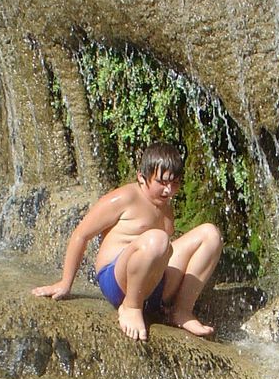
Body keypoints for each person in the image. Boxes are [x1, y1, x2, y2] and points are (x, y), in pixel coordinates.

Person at [32, 142, 223, 341]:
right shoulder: (125, 198)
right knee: (158, 239)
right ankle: (131, 306)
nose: (169, 191)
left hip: (154, 283)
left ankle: (181, 310)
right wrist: (65, 283)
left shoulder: (165, 206)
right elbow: (81, 235)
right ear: (141, 177)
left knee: (210, 234)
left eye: (175, 183)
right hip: (118, 282)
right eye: (161, 182)